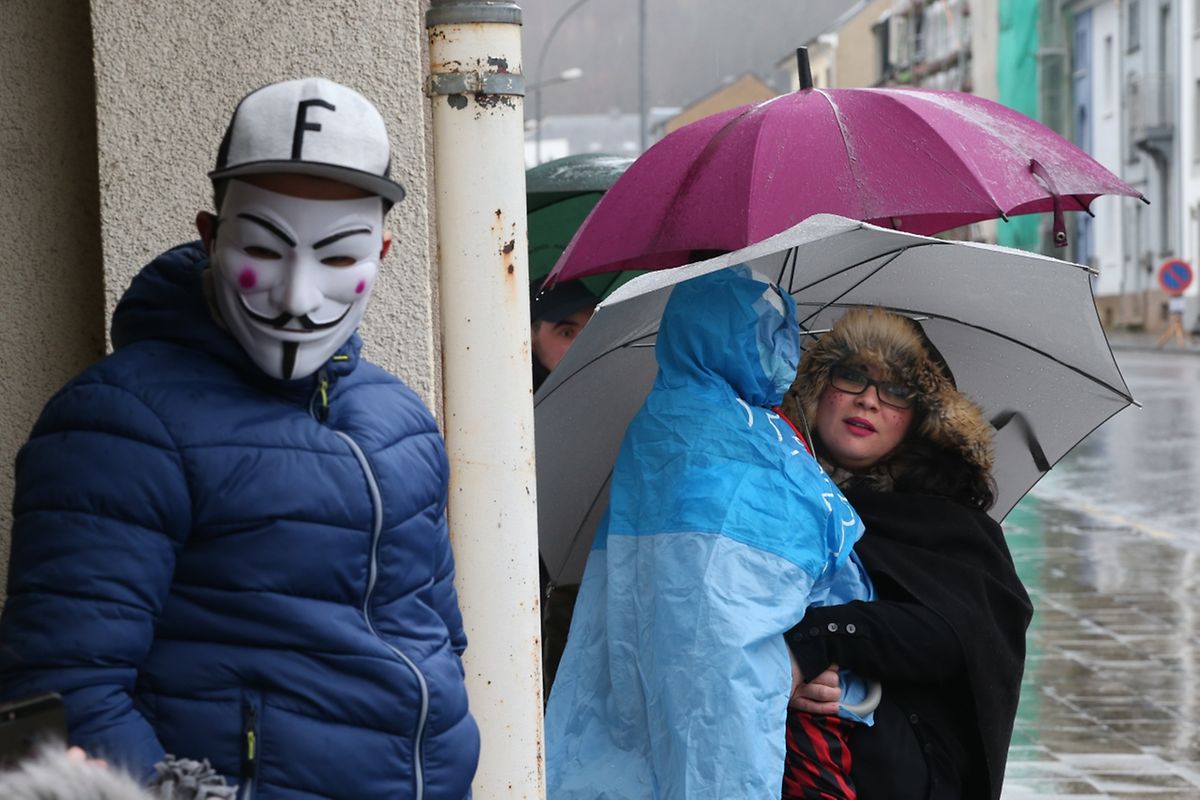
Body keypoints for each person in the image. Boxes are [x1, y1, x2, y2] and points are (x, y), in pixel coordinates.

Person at [0, 78, 479, 798]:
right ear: (210, 236)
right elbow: (62, 689)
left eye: (338, 257)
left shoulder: (400, 420)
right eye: (264, 248)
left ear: (382, 250)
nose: (297, 297)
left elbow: (436, 640)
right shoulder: (119, 422)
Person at [544, 267, 873, 799]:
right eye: (768, 332)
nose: (782, 350)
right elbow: (785, 569)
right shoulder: (742, 435)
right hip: (744, 693)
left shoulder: (664, 425)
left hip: (652, 671)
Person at [779, 307, 1033, 800]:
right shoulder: (767, 492)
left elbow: (959, 634)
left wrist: (820, 639)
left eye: (895, 389)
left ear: (921, 418)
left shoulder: (949, 521)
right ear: (816, 389)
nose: (868, 399)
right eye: (851, 375)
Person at [530, 278, 598, 391]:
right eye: (567, 333)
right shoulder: (511, 399)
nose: (586, 343)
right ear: (530, 340)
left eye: (593, 329)